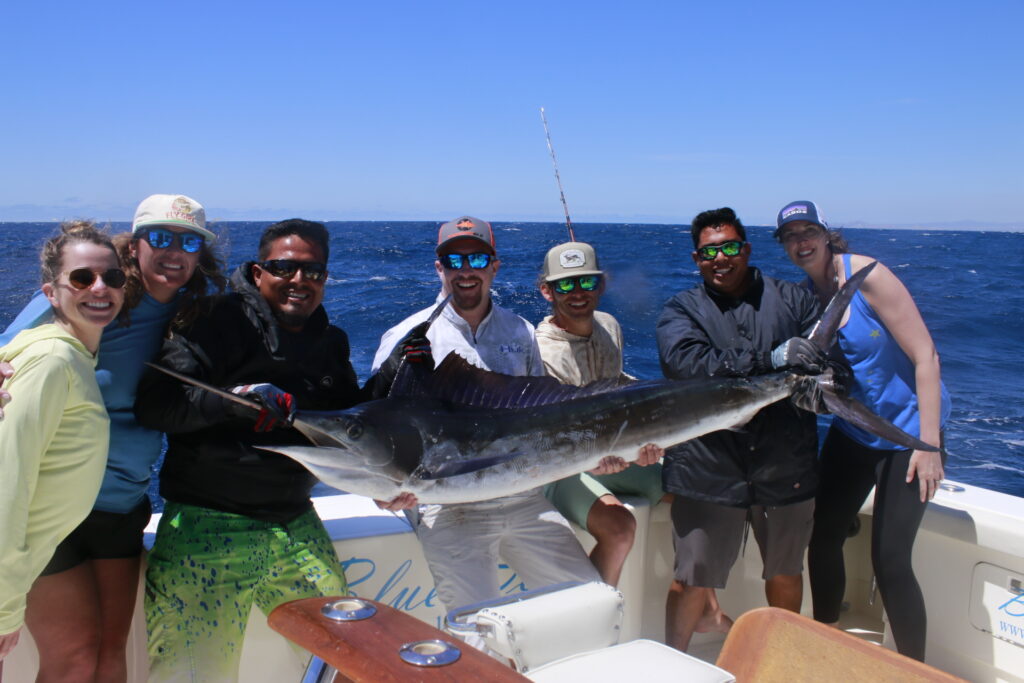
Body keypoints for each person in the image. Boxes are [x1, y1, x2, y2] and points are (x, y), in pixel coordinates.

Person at [0, 194, 222, 682]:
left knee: (109, 656)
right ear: (135, 244)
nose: (173, 252)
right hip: (55, 509)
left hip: (122, 501)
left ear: (200, 254)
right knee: (73, 658)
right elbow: (14, 352)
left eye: (189, 242)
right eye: (160, 238)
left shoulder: (198, 312)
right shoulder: (90, 294)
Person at [134, 219, 363, 682]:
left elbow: (347, 426)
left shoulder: (330, 341)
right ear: (258, 272)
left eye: (313, 271)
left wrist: (395, 372)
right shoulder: (213, 321)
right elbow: (156, 405)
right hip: (207, 524)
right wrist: (231, 401)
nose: (300, 281)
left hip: (294, 520)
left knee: (349, 658)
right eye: (285, 268)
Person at [371, 216, 600, 652]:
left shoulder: (520, 331)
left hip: (522, 496)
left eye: (476, 258)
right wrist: (385, 489)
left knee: (590, 605)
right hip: (448, 506)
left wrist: (596, 452)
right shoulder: (408, 335)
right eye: (452, 259)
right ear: (439, 268)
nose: (465, 269)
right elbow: (380, 431)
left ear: (494, 265)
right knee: (476, 637)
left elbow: (547, 417)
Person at [775, 200, 950, 661]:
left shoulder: (868, 276)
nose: (801, 241)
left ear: (827, 234)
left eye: (808, 230)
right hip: (856, 434)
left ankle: (913, 669)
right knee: (823, 532)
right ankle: (827, 639)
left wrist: (928, 445)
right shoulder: (805, 300)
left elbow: (926, 357)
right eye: (790, 236)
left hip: (909, 436)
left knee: (889, 560)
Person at [655, 207, 825, 652]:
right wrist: (769, 361)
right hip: (707, 467)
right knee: (692, 578)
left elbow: (827, 367)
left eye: (730, 247)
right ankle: (673, 666)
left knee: (786, 571)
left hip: (785, 461)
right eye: (709, 252)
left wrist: (820, 384)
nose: (720, 258)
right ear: (697, 259)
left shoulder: (796, 301)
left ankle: (780, 664)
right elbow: (685, 365)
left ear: (746, 249)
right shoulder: (681, 309)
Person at [0, 222, 126, 673]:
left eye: (112, 278)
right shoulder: (54, 362)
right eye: (81, 278)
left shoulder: (74, 356)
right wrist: (4, 609)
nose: (99, 288)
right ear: (51, 293)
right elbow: (6, 486)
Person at [534, 241, 666, 585]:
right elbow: (556, 435)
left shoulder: (609, 324)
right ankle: (596, 619)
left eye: (586, 282)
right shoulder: (539, 349)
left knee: (695, 489)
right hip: (561, 467)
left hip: (615, 452)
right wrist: (605, 455)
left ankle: (704, 605)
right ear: (547, 291)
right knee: (620, 528)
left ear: (601, 285)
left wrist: (656, 421)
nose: (577, 292)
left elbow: (619, 384)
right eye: (565, 284)